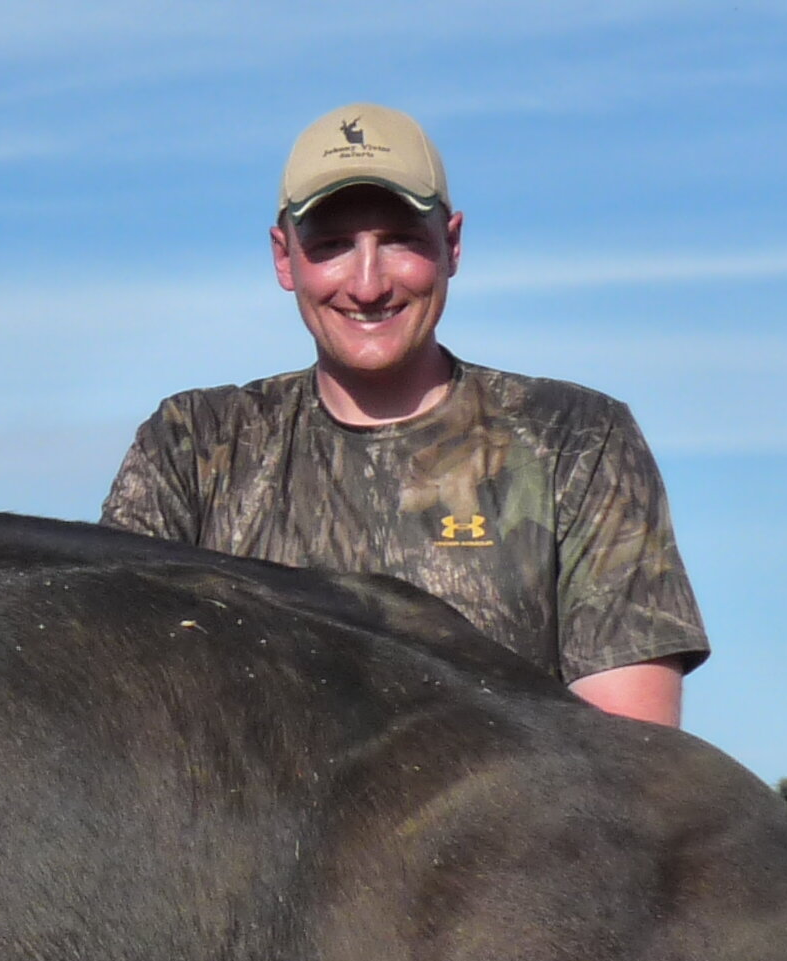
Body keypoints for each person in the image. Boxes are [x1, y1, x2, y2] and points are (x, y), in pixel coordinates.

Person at [98, 103, 706, 725]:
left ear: (452, 246)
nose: (367, 285)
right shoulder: (191, 446)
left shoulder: (576, 438)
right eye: (332, 246)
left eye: (400, 243)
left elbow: (632, 745)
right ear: (285, 258)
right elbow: (121, 700)